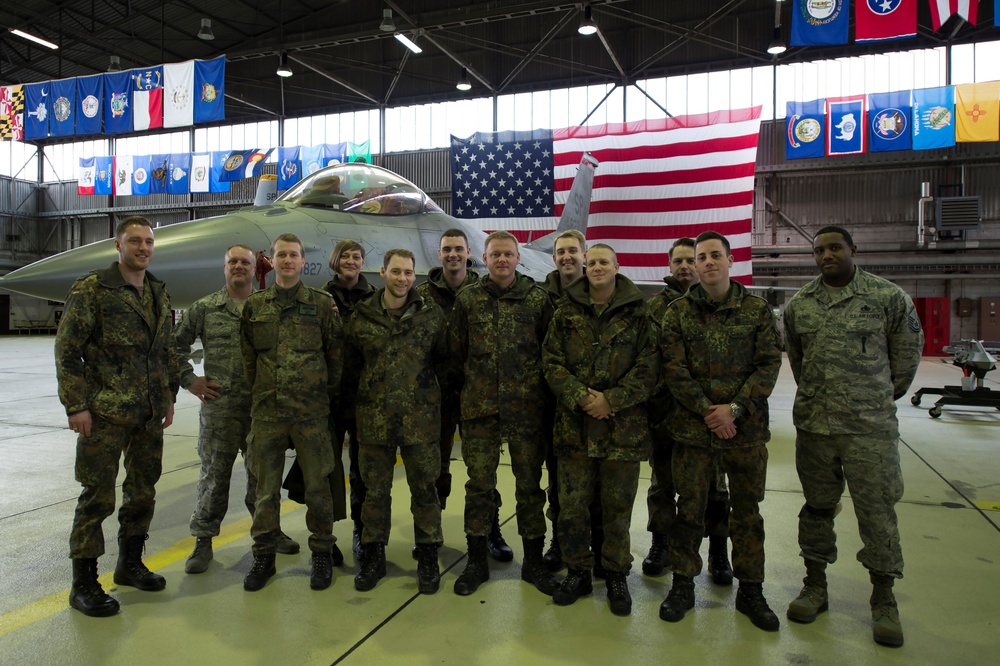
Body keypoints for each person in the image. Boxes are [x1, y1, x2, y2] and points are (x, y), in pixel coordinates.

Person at [783, 226, 923, 647]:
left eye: (834, 247)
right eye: (819, 249)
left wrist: (875, 396)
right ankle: (815, 586)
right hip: (816, 427)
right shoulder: (800, 304)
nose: (826, 255)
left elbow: (906, 359)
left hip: (869, 429)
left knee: (877, 513)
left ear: (852, 250)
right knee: (817, 508)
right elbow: (798, 360)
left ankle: (883, 599)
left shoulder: (887, 298)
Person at [658, 231, 782, 632]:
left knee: (746, 514)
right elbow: (673, 370)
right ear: (693, 264)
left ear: (730, 261)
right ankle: (682, 585)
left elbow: (768, 366)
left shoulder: (757, 311)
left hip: (744, 433)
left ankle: (752, 590)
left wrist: (734, 409)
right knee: (688, 512)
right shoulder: (677, 313)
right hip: (693, 433)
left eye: (716, 255)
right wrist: (708, 412)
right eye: (701, 257)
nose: (708, 262)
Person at [55, 216, 178, 617]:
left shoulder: (158, 291)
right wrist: (77, 405)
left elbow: (164, 351)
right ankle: (84, 582)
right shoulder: (93, 288)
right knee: (97, 497)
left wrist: (168, 397)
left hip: (148, 414)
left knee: (143, 493)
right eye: (135, 241)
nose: (143, 248)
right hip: (105, 413)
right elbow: (67, 351)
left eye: (148, 242)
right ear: (118, 246)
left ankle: (129, 564)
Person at [543, 244, 658, 616]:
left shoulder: (639, 315)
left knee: (617, 509)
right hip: (574, 430)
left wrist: (612, 400)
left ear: (616, 267)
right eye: (591, 262)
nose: (596, 267)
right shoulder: (565, 313)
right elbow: (551, 362)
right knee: (572, 508)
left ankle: (615, 574)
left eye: (602, 262)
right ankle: (577, 570)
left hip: (620, 431)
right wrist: (581, 397)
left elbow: (650, 367)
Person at [175, 244, 300, 575]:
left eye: (245, 262)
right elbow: (173, 345)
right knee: (214, 477)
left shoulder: (266, 307)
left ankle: (268, 532)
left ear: (256, 266)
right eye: (233, 262)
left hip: (261, 410)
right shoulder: (205, 308)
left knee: (263, 478)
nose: (239, 267)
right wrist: (189, 379)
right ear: (224, 267)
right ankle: (203, 541)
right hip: (220, 410)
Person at [449, 230, 559, 597]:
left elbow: (550, 354)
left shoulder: (538, 300)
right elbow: (457, 353)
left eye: (508, 254)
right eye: (495, 254)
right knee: (479, 487)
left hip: (527, 410)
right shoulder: (468, 300)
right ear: (484, 257)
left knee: (529, 488)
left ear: (518, 258)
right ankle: (477, 561)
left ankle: (533, 563)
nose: (501, 260)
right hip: (481, 410)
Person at [240, 233, 342, 592]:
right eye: (281, 255)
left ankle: (321, 555)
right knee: (265, 491)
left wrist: (318, 395)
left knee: (319, 488)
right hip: (267, 412)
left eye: (293, 255)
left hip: (311, 413)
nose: (287, 261)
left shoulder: (323, 304)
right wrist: (265, 393)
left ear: (302, 261)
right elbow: (249, 359)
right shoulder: (255, 306)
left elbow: (335, 359)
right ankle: (264, 557)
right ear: (271, 259)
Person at [346, 249, 450, 595]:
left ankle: (428, 557)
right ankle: (374, 556)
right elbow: (351, 365)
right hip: (374, 420)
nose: (402, 278)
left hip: (420, 420)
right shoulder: (362, 316)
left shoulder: (431, 316)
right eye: (396, 271)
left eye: (408, 273)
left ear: (414, 276)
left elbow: (445, 362)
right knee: (375, 492)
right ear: (382, 273)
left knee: (425, 491)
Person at [416, 229, 513, 563]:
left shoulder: (484, 293)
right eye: (447, 250)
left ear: (469, 253)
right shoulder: (422, 295)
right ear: (439, 253)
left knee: (482, 470)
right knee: (434, 469)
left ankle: (490, 530)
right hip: (435, 398)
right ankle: (431, 532)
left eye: (458, 249)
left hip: (477, 397)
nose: (453, 255)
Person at [643, 238, 733, 585]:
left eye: (689, 261)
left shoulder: (716, 303)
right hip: (666, 414)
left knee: (715, 486)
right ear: (669, 266)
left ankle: (718, 550)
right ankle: (660, 544)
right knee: (661, 484)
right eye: (677, 261)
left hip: (707, 416)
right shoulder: (654, 309)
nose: (684, 266)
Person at [322, 239, 375, 559]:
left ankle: (361, 530)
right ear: (335, 260)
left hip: (363, 400)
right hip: (328, 399)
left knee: (362, 470)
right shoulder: (319, 298)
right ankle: (325, 536)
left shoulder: (375, 300)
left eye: (357, 257)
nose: (351, 261)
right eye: (345, 256)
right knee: (326, 470)